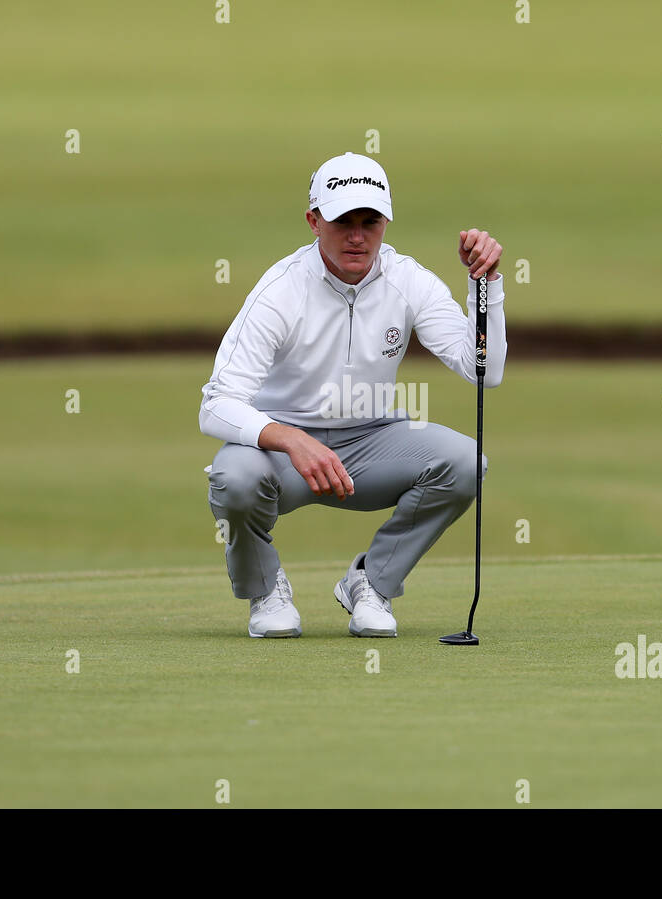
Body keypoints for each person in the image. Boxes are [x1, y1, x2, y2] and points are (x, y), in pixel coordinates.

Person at [199, 151, 507, 638]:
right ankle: (265, 591)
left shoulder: (409, 281)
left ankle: (371, 582)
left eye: (370, 220)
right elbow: (215, 403)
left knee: (467, 462)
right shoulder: (280, 290)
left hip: (372, 440)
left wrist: (484, 286)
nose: (358, 236)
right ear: (313, 221)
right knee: (233, 478)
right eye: (343, 221)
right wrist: (290, 439)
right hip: (282, 451)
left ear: (386, 221)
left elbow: (482, 371)